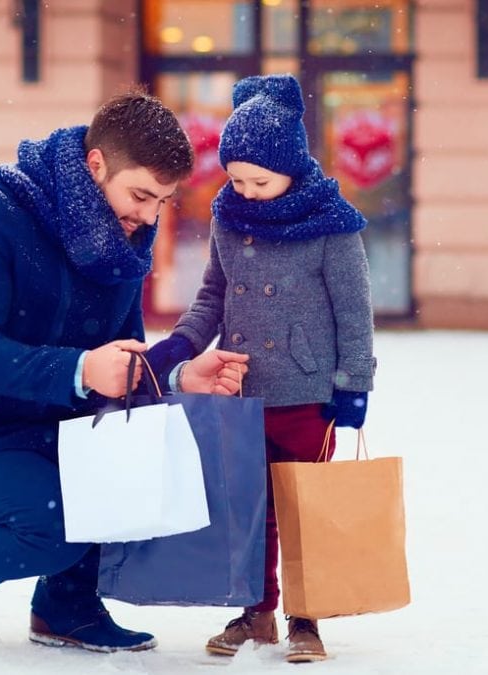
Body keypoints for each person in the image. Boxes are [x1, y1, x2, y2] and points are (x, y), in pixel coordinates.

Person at [0, 89, 249, 654]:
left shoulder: (120, 244)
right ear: (96, 164)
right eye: (141, 195)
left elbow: (119, 362)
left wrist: (175, 378)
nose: (148, 217)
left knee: (132, 480)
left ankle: (66, 607)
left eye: (162, 203)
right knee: (52, 523)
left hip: (41, 433)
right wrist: (80, 369)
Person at [154, 74, 376, 663]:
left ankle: (307, 617)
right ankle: (256, 612)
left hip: (307, 393)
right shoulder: (230, 219)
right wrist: (179, 346)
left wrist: (354, 385)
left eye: (260, 180)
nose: (246, 191)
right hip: (242, 386)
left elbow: (354, 313)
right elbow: (212, 296)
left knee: (304, 507)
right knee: (250, 508)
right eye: (236, 179)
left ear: (291, 169)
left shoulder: (332, 224)